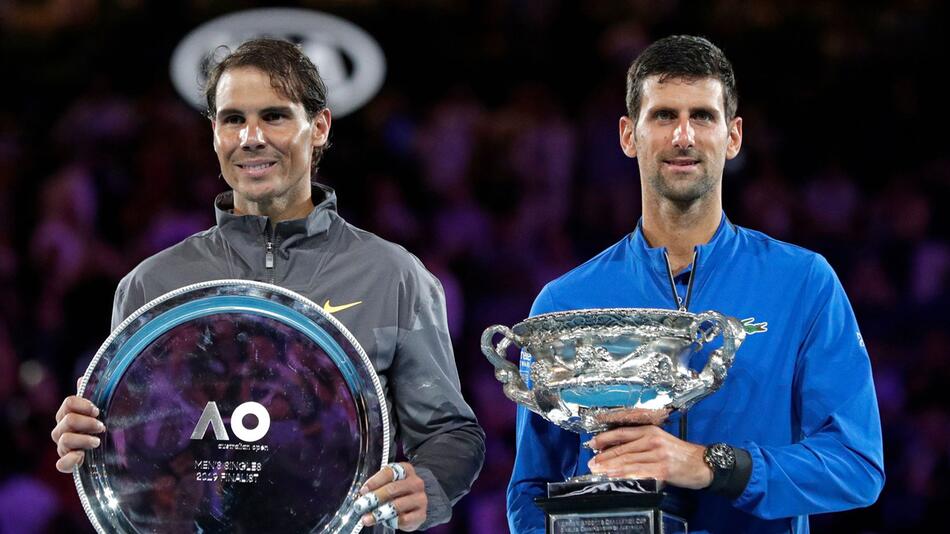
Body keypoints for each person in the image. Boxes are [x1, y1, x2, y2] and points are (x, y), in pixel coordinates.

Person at [49, 38, 485, 532]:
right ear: (214, 132)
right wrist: (89, 436)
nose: (250, 137)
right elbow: (139, 445)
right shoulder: (151, 286)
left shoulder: (393, 275)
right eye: (233, 119)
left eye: (275, 116)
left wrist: (426, 483)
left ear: (318, 127)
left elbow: (451, 432)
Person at [507, 35, 884, 533]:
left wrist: (711, 466)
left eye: (703, 116)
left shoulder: (803, 283)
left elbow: (856, 465)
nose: (683, 136)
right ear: (628, 135)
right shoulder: (564, 303)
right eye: (663, 115)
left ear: (733, 136)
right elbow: (529, 491)